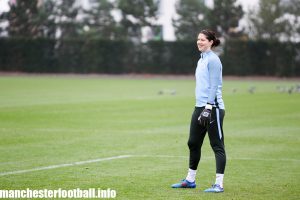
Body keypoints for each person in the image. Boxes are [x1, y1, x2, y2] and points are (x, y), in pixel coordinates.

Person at [171, 29, 226, 193]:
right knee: (193, 143)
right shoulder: (201, 60)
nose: (199, 42)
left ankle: (219, 184)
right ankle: (190, 180)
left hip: (213, 107)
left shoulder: (214, 60)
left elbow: (214, 85)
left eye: (202, 40)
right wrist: (202, 107)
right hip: (200, 106)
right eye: (198, 39)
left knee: (217, 145)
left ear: (210, 42)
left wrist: (209, 108)